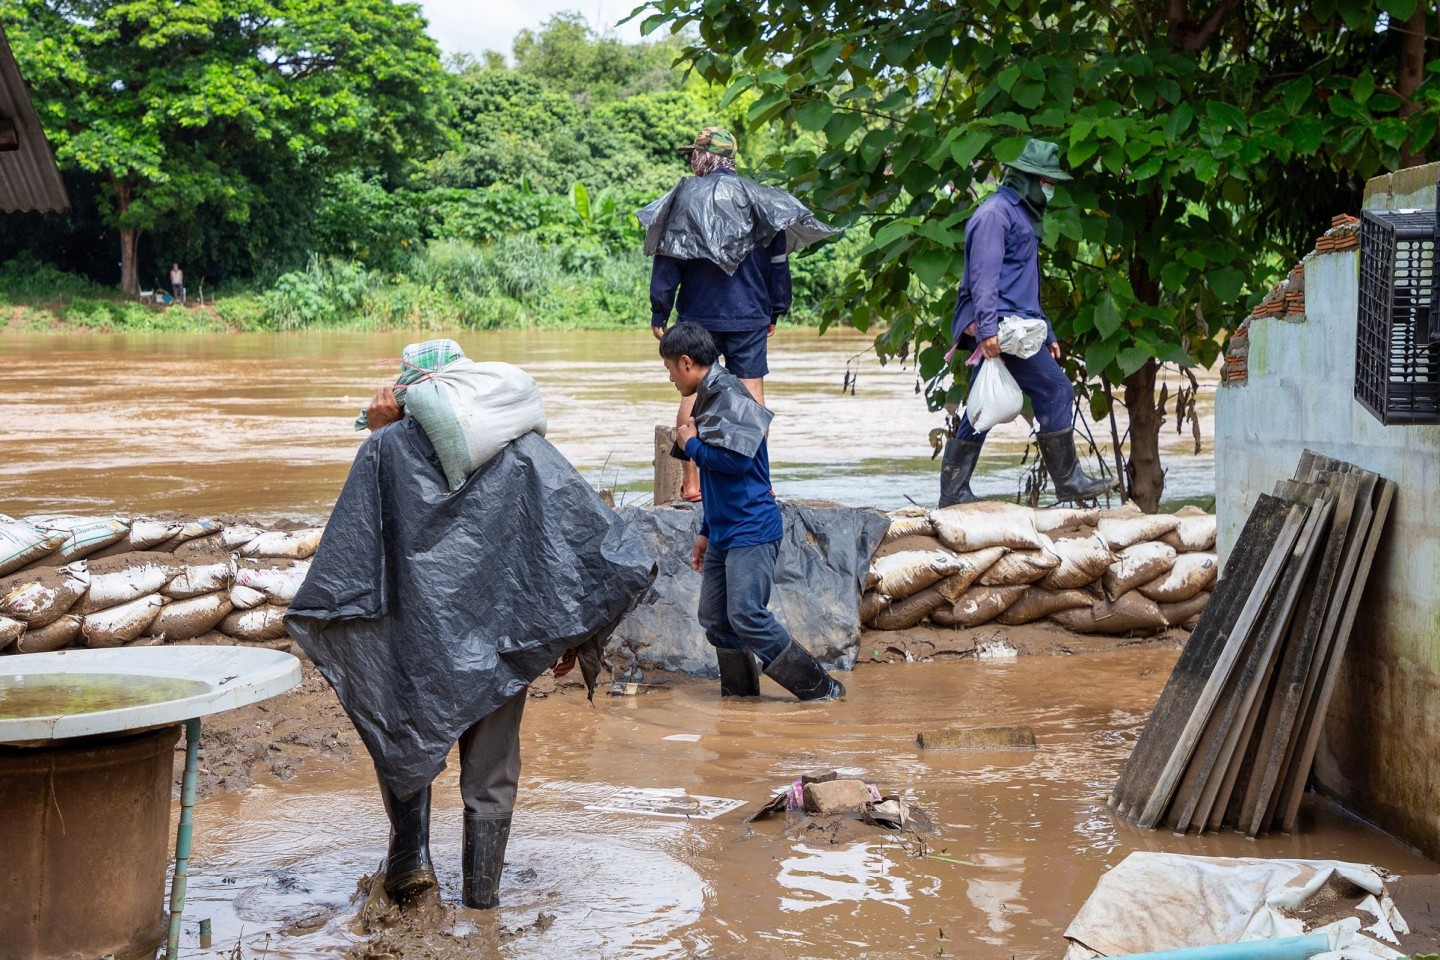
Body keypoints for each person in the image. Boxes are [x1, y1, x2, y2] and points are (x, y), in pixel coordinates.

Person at [286, 346, 654, 911]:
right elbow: (593, 547)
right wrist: (574, 634)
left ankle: (412, 859)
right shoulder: (525, 450)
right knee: (492, 770)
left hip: (413, 644)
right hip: (502, 642)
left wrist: (381, 436)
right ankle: (483, 904)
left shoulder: (386, 448)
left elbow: (354, 559)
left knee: (404, 736)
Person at [659, 321, 845, 701]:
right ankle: (741, 700)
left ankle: (823, 689)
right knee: (714, 617)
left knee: (746, 615)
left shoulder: (731, 396)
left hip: (751, 527)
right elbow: (715, 478)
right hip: (724, 529)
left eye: (669, 370)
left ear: (686, 362)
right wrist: (706, 530)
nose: (671, 379)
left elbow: (736, 464)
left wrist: (691, 445)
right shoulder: (709, 397)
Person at [939, 139, 1117, 506]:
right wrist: (987, 330)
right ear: (1028, 179)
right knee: (1056, 391)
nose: (1049, 188)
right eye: (1046, 181)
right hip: (1000, 327)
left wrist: (1046, 330)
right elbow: (984, 277)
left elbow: (1022, 284)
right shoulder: (995, 215)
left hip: (1015, 325)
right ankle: (1068, 482)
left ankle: (953, 492)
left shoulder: (1018, 215)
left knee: (981, 404)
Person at [649, 126, 791, 502]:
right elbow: (779, 261)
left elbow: (668, 258)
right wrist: (778, 307)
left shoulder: (683, 199)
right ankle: (760, 482)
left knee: (693, 393)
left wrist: (659, 310)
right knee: (751, 397)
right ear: (731, 159)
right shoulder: (761, 200)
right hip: (750, 314)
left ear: (701, 157)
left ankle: (692, 484)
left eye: (692, 155)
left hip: (699, 318)